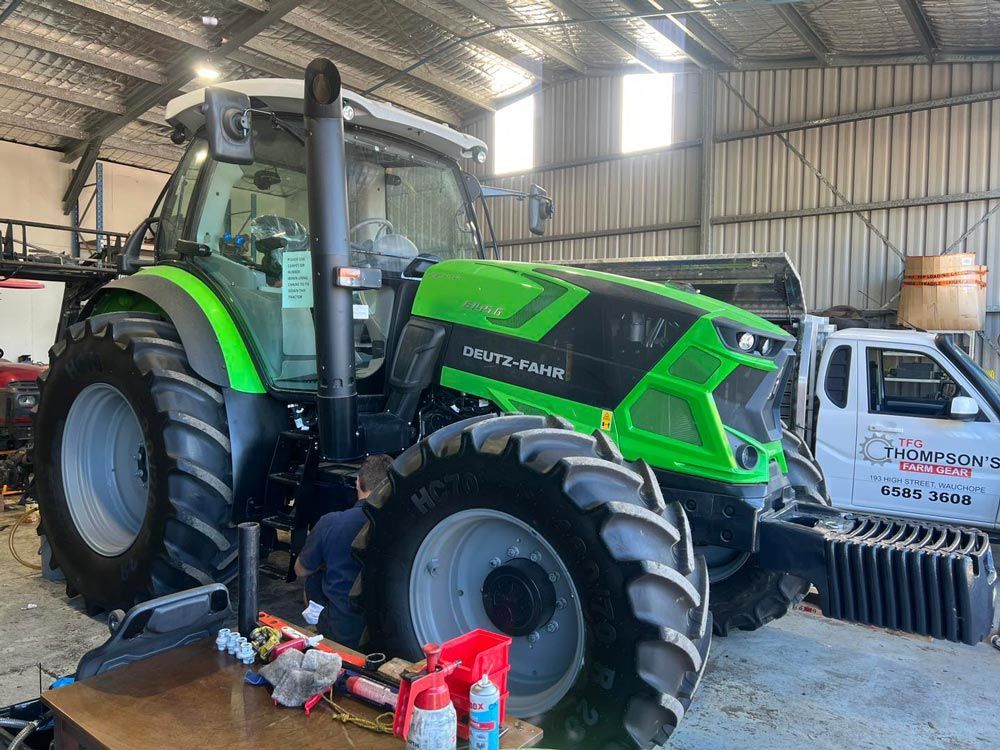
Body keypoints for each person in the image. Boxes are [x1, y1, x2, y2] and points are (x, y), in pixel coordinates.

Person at [294, 453, 393, 649]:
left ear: (358, 482)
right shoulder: (403, 525)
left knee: (313, 576)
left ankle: (323, 631)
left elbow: (300, 570)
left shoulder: (331, 522)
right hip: (388, 632)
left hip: (343, 633)